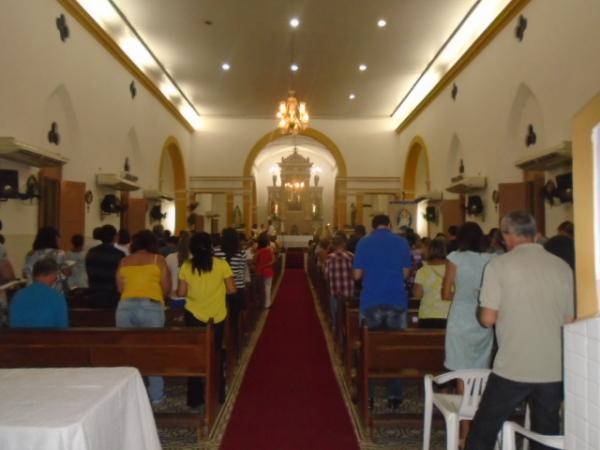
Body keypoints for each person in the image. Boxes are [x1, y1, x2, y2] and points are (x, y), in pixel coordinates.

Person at [465, 211, 574, 450]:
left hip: (514, 364)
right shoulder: (562, 267)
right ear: (534, 234)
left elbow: (487, 319)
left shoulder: (499, 265)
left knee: (485, 427)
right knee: (546, 432)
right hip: (552, 366)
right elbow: (569, 320)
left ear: (507, 235)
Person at [442, 221, 494, 446]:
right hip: (483, 317)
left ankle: (465, 433)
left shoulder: (455, 257)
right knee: (480, 374)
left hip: (461, 319)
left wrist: (462, 297)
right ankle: (475, 429)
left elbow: (445, 292)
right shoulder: (490, 259)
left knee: (463, 376)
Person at [353, 214, 412, 409]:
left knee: (369, 348)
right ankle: (395, 395)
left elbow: (357, 275)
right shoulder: (402, 242)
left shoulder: (364, 242)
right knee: (395, 349)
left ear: (373, 226)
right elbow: (405, 273)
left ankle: (368, 394)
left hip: (371, 300)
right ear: (389, 224)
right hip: (396, 300)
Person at [178, 232, 236, 409]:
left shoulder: (187, 266)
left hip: (193, 315)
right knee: (216, 353)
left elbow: (181, 293)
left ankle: (194, 398)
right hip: (216, 316)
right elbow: (232, 290)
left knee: (195, 356)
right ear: (211, 246)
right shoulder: (221, 264)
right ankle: (217, 393)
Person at [116, 230, 171, 405]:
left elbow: (120, 288)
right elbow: (166, 287)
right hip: (150, 306)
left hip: (125, 307)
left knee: (126, 352)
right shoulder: (158, 260)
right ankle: (156, 395)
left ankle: (127, 396)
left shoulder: (124, 261)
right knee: (152, 351)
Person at [214, 228, 247, 358]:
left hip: (219, 290)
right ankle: (236, 342)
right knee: (235, 319)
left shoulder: (215, 251)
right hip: (237, 290)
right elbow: (242, 270)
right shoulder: (241, 253)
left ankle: (220, 345)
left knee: (220, 320)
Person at [9, 258, 68, 328]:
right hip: (49, 338)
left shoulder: (17, 296)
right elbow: (63, 327)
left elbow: (14, 325)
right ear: (53, 275)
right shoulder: (57, 297)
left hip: (22, 338)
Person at [413, 238, 449, 329]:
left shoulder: (422, 271)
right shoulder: (452, 270)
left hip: (427, 315)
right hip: (448, 314)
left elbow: (417, 294)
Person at [86, 224, 125, 308]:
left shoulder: (92, 252)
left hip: (94, 293)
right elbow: (122, 276)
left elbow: (89, 270)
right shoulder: (119, 254)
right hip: (113, 296)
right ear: (115, 237)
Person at [23, 226, 69, 293]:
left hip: (32, 291)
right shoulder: (59, 253)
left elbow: (24, 274)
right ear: (55, 239)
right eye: (58, 237)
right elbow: (67, 272)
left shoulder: (30, 254)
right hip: (53, 291)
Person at [324, 234, 354, 332]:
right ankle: (348, 328)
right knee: (348, 312)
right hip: (348, 292)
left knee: (335, 311)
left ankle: (335, 327)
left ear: (333, 245)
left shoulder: (329, 258)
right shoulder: (351, 256)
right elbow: (356, 274)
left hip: (335, 291)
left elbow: (326, 275)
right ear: (344, 244)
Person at [165, 231, 191, 298]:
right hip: (190, 295)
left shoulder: (170, 257)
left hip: (172, 295)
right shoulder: (196, 259)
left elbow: (165, 277)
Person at [254, 233, 275, 308]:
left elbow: (254, 260)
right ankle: (267, 304)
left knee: (260, 289)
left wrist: (260, 265)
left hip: (259, 271)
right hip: (268, 271)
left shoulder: (258, 250)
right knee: (268, 287)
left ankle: (261, 303)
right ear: (267, 241)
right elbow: (273, 260)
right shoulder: (270, 250)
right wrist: (266, 265)